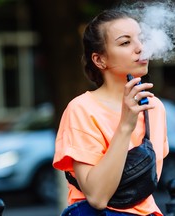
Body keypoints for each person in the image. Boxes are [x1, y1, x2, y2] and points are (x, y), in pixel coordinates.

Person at [53, 9, 169, 216]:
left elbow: (143, 186)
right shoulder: (81, 109)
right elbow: (97, 197)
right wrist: (126, 125)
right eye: (125, 43)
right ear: (99, 60)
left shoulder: (155, 108)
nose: (140, 48)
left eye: (141, 39)